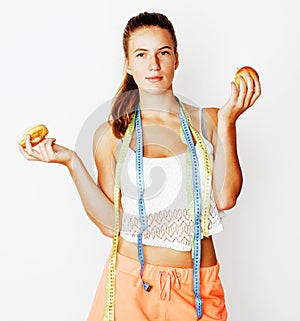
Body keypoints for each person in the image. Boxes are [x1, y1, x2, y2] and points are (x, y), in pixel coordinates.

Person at [18, 11, 261, 321]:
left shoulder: (210, 120)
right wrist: (70, 161)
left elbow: (226, 198)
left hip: (196, 287)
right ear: (129, 64)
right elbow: (110, 225)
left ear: (176, 60)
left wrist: (229, 121)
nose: (154, 64)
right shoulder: (112, 133)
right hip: (131, 284)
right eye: (142, 54)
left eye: (163, 52)